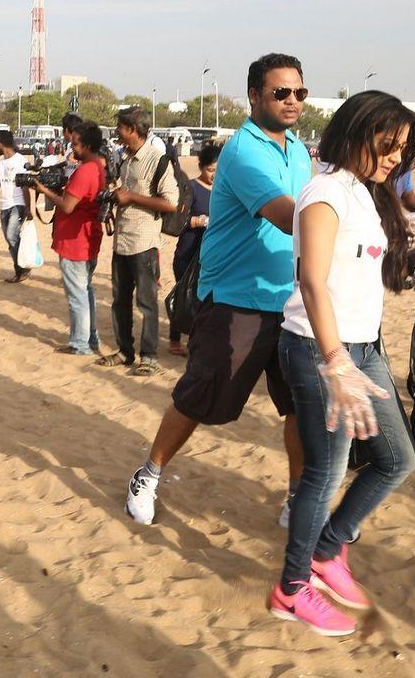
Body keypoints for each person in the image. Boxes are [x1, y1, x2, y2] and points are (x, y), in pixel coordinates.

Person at [125, 53, 312, 526]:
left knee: (300, 405)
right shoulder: (244, 151)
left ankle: (297, 498)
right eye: (281, 92)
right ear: (254, 96)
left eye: (299, 93)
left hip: (289, 298)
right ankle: (148, 473)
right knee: (200, 398)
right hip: (236, 300)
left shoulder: (299, 149)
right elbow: (289, 216)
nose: (292, 102)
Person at [268, 91, 415, 637]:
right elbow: (312, 280)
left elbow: (371, 268)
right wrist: (335, 363)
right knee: (327, 471)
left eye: (402, 150)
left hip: (366, 348)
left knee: (396, 460)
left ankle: (329, 549)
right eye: (387, 145)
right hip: (319, 348)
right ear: (356, 133)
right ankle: (290, 590)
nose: (394, 159)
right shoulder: (325, 192)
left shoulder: (369, 193)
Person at [99, 106, 178, 375]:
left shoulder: (158, 161)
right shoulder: (124, 160)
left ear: (133, 129)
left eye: (120, 128)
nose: (117, 133)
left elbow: (170, 203)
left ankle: (149, 356)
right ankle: (124, 351)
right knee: (120, 300)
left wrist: (131, 197)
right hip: (121, 241)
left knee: (146, 302)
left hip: (144, 244)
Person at [31, 125, 107, 356]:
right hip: (86, 236)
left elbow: (67, 205)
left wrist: (44, 191)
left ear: (87, 145)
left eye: (75, 143)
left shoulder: (85, 171)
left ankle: (80, 343)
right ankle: (89, 338)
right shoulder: (97, 168)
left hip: (76, 239)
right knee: (85, 291)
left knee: (77, 294)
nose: (71, 148)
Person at [168, 140, 218, 356]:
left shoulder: (222, 191)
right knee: (182, 296)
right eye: (210, 170)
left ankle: (196, 341)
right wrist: (196, 222)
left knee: (204, 301)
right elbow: (175, 219)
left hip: (210, 256)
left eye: (217, 170)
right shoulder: (190, 188)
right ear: (201, 167)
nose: (213, 175)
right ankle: (174, 340)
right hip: (187, 253)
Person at [0, 130, 32, 283]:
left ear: (2, 144)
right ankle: (19, 269)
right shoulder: (0, 163)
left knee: (11, 236)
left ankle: (23, 269)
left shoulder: (20, 161)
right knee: (11, 240)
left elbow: (25, 186)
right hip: (4, 205)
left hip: (18, 204)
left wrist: (28, 207)